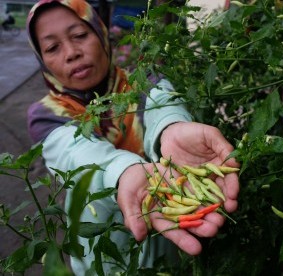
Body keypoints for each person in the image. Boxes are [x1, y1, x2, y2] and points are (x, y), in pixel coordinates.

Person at [26, 0, 239, 274]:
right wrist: (123, 171)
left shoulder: (143, 81)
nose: (71, 53)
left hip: (166, 247)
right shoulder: (46, 116)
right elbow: (76, 153)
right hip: (98, 257)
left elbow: (162, 102)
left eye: (80, 35)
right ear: (42, 60)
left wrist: (170, 127)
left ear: (101, 32)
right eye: (52, 47)